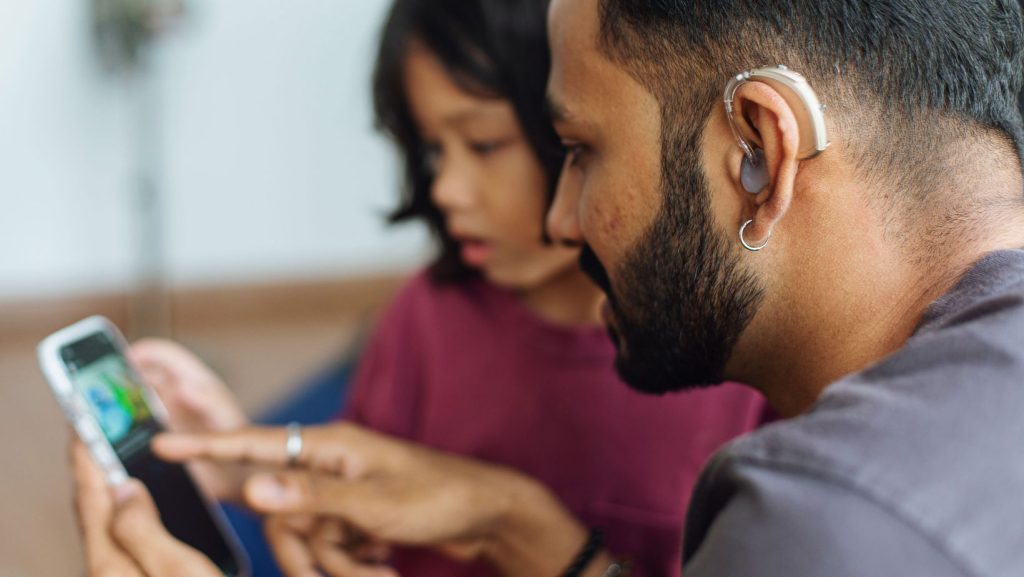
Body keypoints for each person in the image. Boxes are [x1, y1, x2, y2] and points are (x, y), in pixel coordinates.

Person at [73, 0, 1024, 575]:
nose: (565, 221)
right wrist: (515, 521)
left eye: (578, 148)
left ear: (759, 153)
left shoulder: (819, 518)